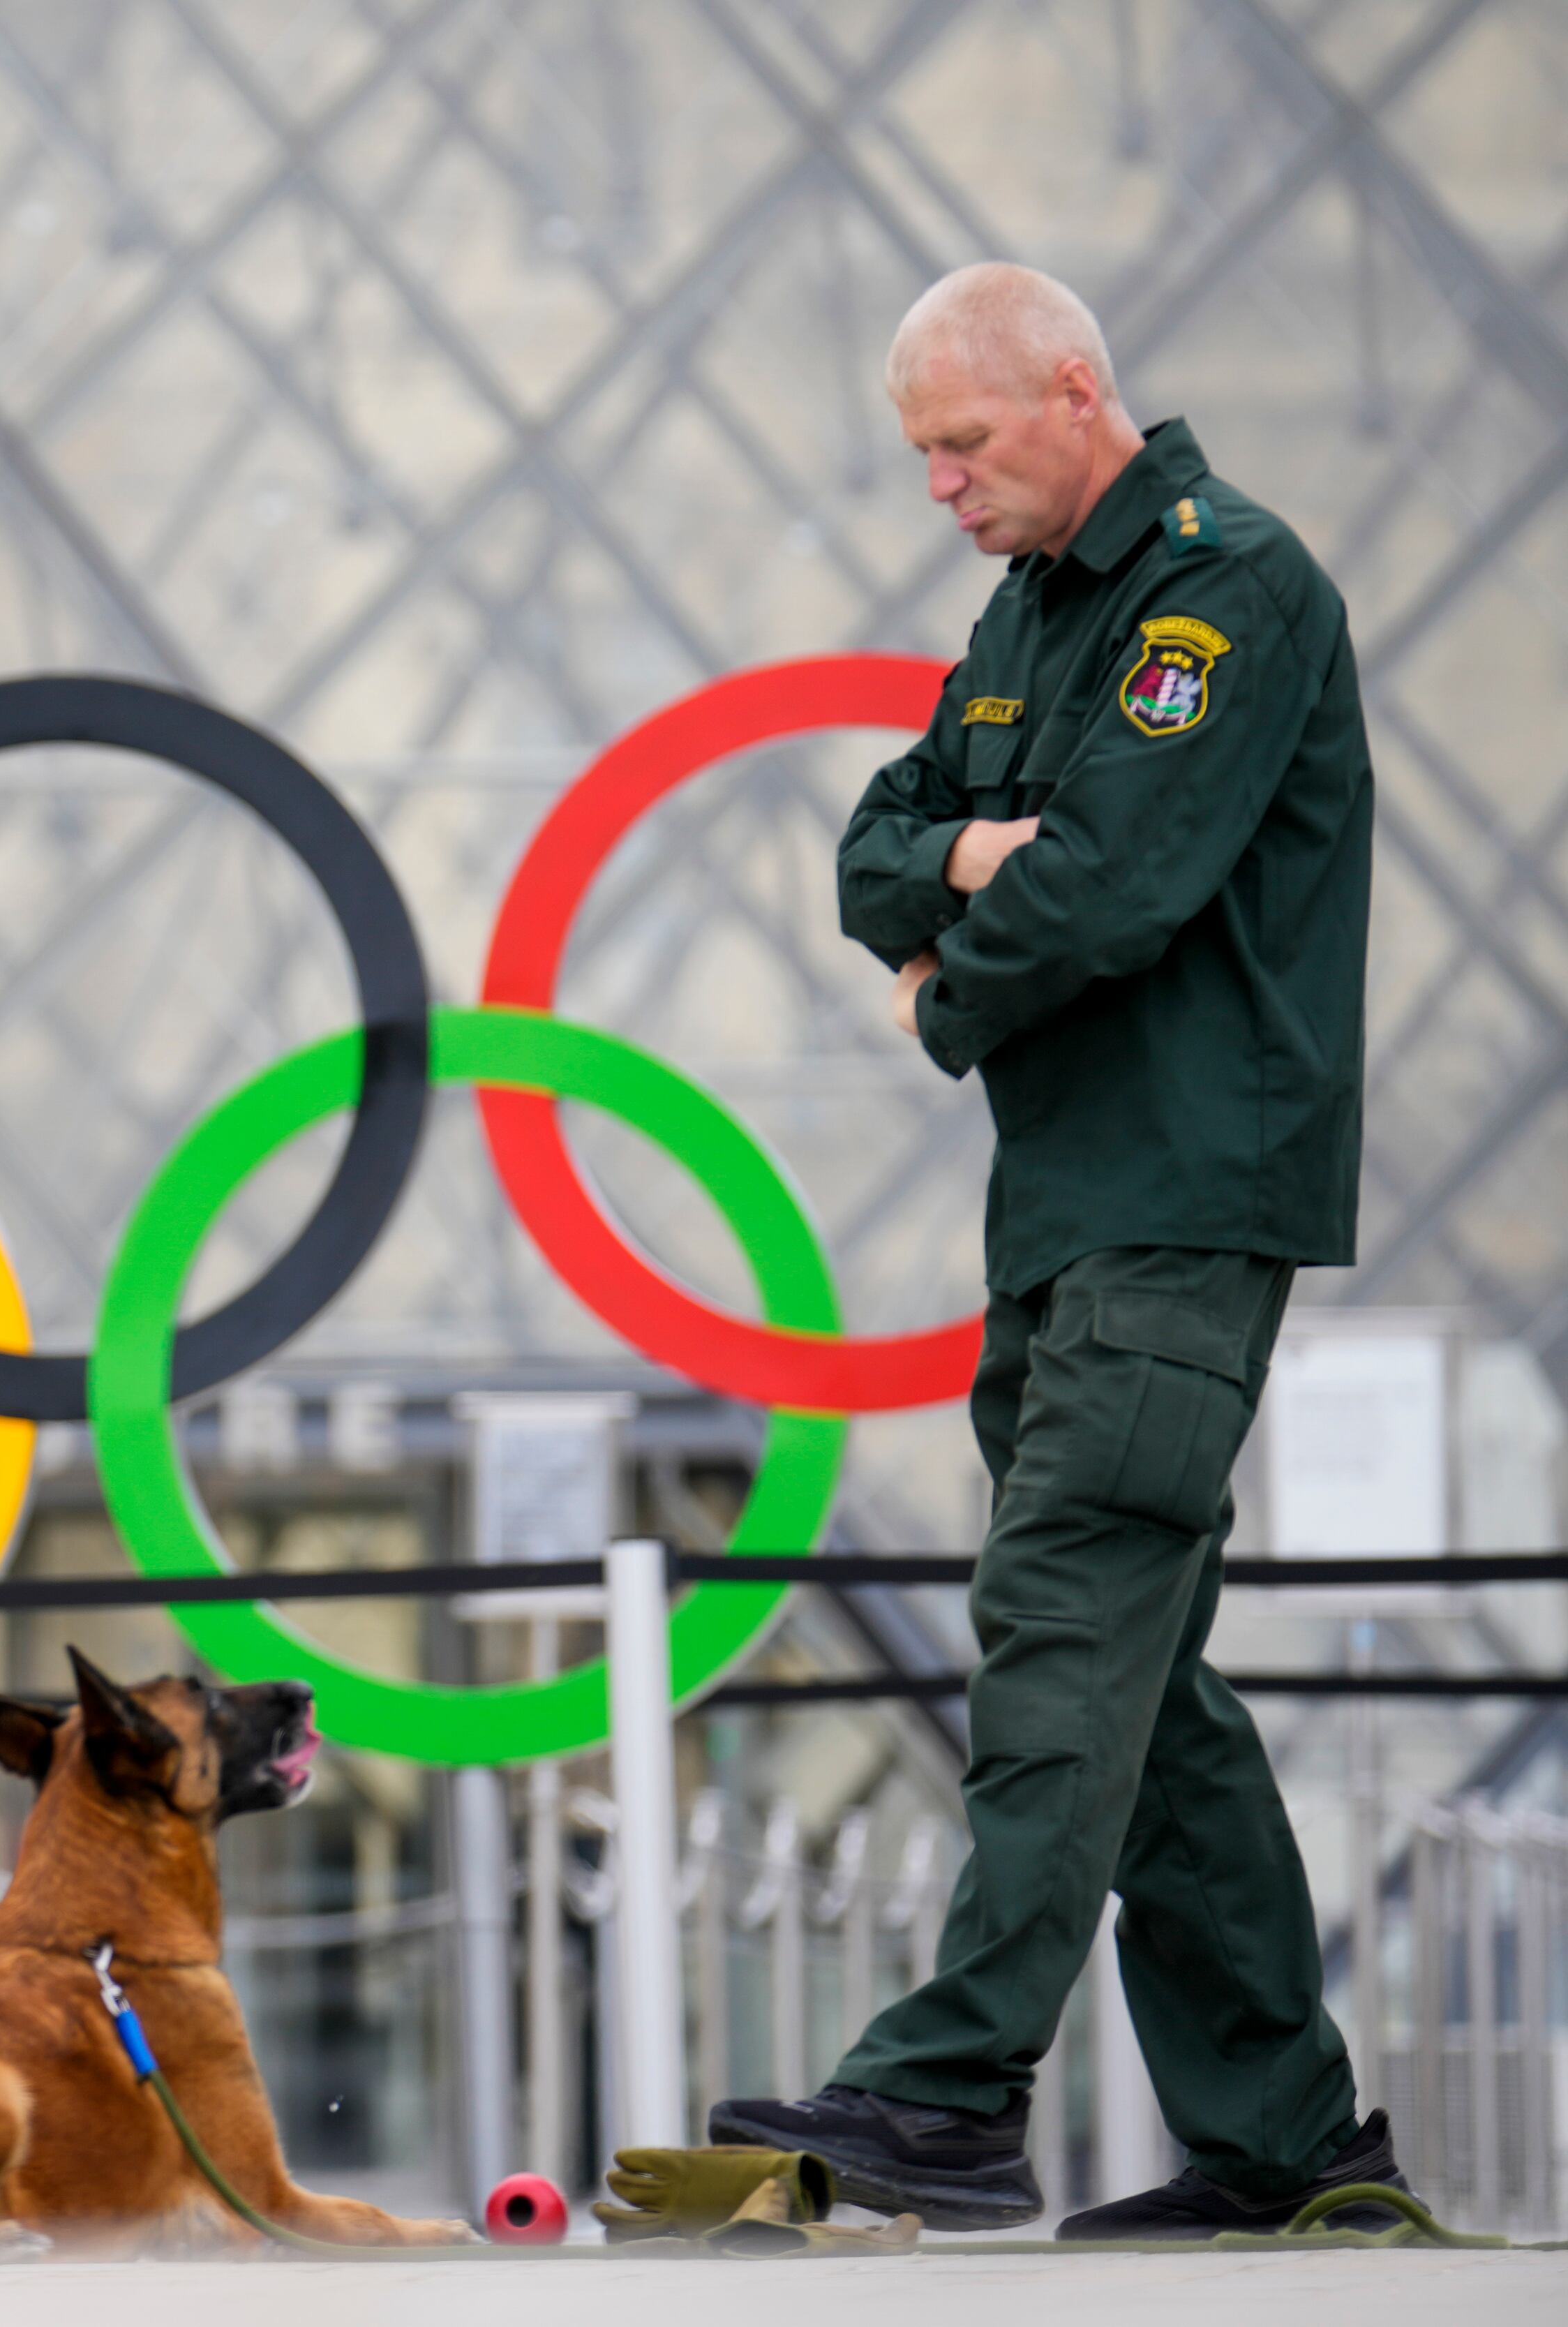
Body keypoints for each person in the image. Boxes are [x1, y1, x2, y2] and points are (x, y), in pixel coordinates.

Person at [707, 265, 1398, 2239]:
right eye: (920, 450)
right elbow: (869, 843)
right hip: (1073, 1205)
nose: (938, 484)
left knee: (1064, 1609)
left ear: (1073, 390)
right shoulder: (1033, 614)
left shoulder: (1225, 590)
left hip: (1187, 1200)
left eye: (963, 440)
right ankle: (1288, 2142)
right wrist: (961, 862)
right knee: (1151, 1689)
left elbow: (1118, 884)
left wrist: (947, 973)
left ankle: (947, 2086)